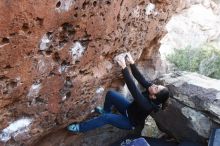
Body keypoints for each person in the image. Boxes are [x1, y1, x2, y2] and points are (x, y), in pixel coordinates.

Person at [67, 53, 170, 133]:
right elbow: (140, 78)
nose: (154, 85)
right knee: (111, 94)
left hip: (129, 122)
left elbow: (133, 88)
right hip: (128, 109)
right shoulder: (151, 90)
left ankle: (79, 128)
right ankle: (106, 110)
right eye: (157, 85)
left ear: (153, 97)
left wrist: (124, 67)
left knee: (106, 118)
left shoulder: (147, 106)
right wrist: (131, 62)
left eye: (156, 88)